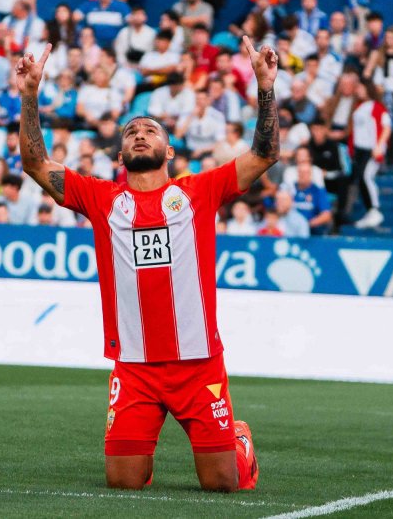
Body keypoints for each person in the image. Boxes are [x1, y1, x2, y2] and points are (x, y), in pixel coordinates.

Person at [15, 35, 279, 492]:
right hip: (134, 367)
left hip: (198, 365)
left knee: (222, 484)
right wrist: (29, 94)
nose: (140, 134)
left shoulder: (199, 191)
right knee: (124, 483)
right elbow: (35, 162)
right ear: (120, 156)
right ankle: (140, 453)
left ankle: (239, 439)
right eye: (131, 132)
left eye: (151, 130)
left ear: (170, 152)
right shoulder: (101, 199)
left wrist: (265, 87)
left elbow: (265, 155)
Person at [349, 81, 391, 229]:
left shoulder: (376, 106)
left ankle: (375, 208)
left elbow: (387, 127)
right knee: (360, 179)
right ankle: (369, 210)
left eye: (361, 87)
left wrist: (379, 145)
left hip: (371, 148)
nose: (358, 90)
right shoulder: (359, 106)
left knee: (367, 176)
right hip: (360, 149)